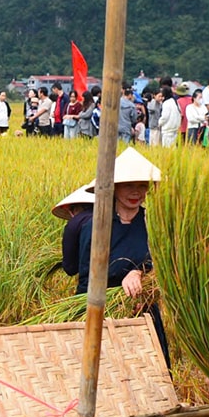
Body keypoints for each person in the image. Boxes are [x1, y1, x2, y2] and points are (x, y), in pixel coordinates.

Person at [74, 147, 168, 361]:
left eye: (142, 185)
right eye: (128, 185)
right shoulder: (96, 226)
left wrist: (140, 274)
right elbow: (86, 280)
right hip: (105, 315)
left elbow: (166, 266)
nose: (136, 192)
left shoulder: (154, 224)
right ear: (114, 187)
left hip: (145, 315)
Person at [51, 182, 96, 277]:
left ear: (75, 208)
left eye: (71, 210)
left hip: (92, 283)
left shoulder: (75, 223)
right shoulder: (117, 217)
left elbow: (70, 269)